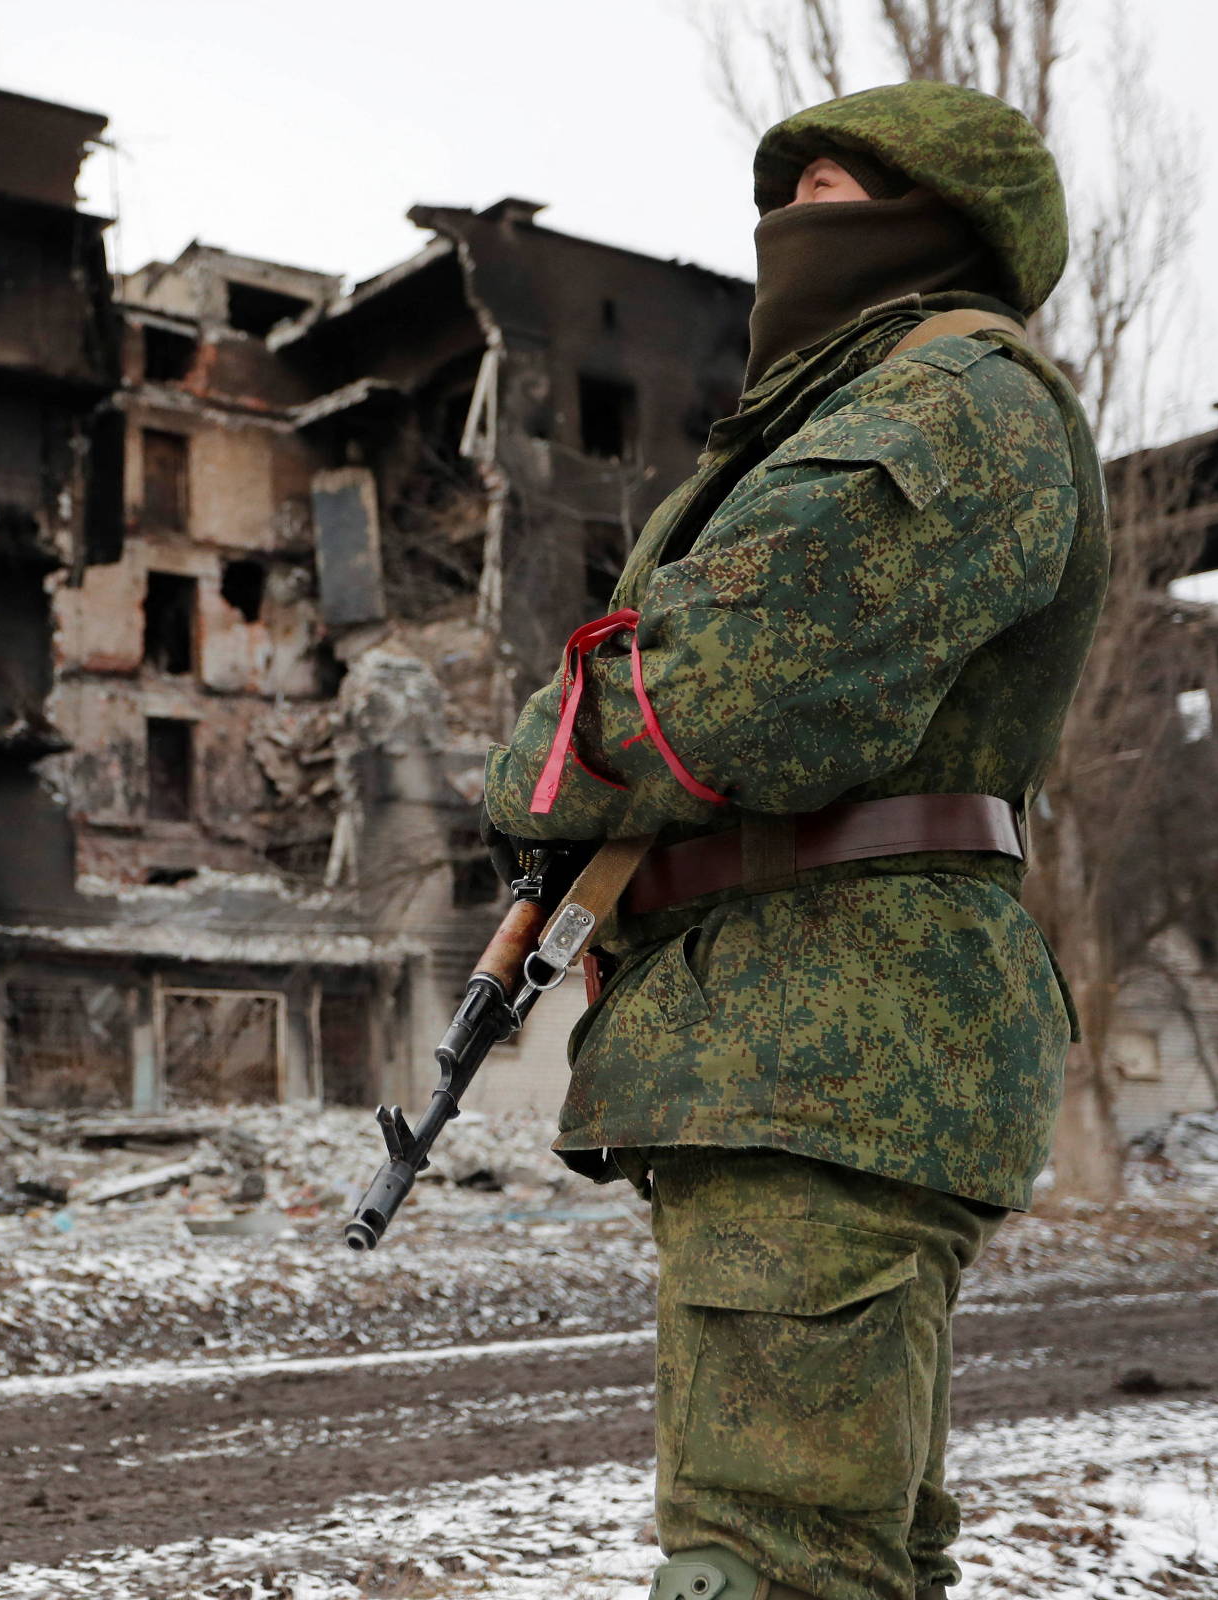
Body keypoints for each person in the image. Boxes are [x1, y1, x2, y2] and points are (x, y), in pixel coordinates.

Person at [481, 81, 1108, 1600]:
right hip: (798, 1052)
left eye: (836, 203)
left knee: (763, 1567)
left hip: (835, 1050)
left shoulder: (955, 398)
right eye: (787, 201)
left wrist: (531, 772)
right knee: (847, 1554)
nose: (791, 235)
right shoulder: (839, 413)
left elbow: (738, 683)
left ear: (942, 232)